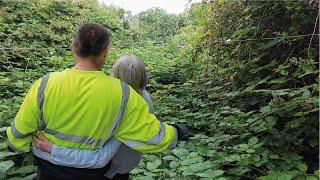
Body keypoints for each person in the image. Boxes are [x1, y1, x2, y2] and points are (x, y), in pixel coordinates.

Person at [6, 22, 187, 180]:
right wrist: (177, 132)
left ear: (73, 47)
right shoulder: (123, 94)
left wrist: (15, 146)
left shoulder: (45, 84)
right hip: (93, 174)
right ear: (106, 51)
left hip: (48, 170)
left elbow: (20, 129)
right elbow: (155, 136)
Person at [32, 55, 157, 179]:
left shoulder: (122, 107)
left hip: (108, 170)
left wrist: (54, 149)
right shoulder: (144, 99)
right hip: (122, 165)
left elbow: (99, 158)